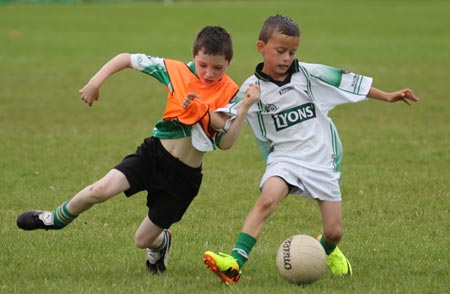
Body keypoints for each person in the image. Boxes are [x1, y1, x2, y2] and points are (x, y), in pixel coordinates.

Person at [16, 26, 260, 274]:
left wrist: (242, 110)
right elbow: (125, 59)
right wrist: (95, 82)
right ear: (194, 56)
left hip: (183, 180)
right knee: (99, 190)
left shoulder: (231, 92)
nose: (209, 73)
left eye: (217, 68)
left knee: (142, 240)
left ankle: (162, 242)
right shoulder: (175, 70)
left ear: (229, 63)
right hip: (153, 156)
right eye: (203, 65)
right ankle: (54, 219)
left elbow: (226, 142)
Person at [202, 15, 420, 284]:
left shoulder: (308, 74)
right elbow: (224, 118)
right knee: (267, 199)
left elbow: (347, 81)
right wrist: (200, 111)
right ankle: (235, 262)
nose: (286, 58)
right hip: (284, 158)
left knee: (334, 232)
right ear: (262, 47)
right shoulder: (252, 88)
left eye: (292, 52)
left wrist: (387, 96)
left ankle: (325, 248)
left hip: (320, 160)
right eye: (280, 51)